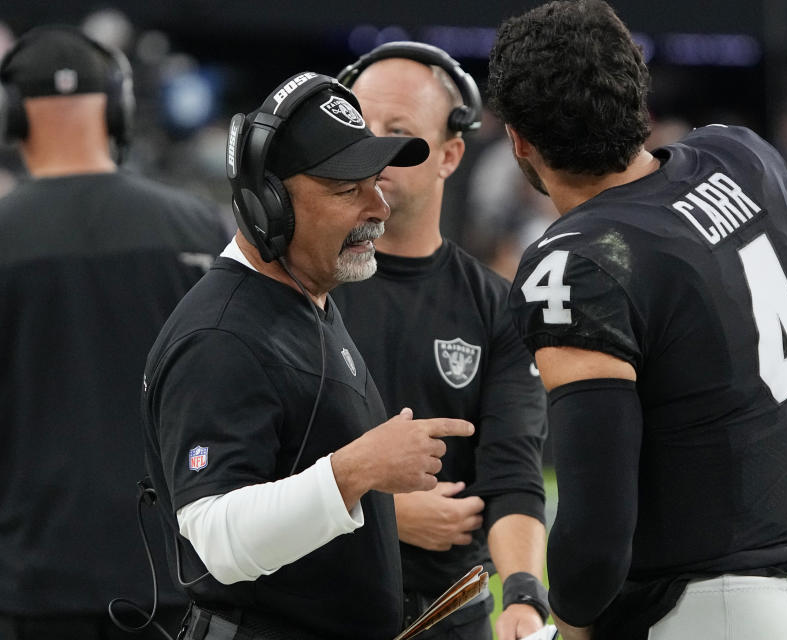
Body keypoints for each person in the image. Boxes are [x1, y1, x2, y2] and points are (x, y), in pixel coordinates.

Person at [486, 2, 787, 639]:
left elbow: (596, 535)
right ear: (638, 90)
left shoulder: (577, 260)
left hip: (711, 609)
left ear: (519, 140)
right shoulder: (741, 156)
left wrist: (568, 623)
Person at [141, 71, 476, 640]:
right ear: (268, 203)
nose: (379, 207)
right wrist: (357, 469)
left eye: (375, 182)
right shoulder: (221, 336)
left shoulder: (305, 300)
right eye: (348, 191)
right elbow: (215, 537)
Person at [0, 25, 229, 639]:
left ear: (12, 114)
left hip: (34, 580)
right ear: (121, 107)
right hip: (179, 572)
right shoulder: (198, 229)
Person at [332, 43, 549, 640]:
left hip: (448, 615)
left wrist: (525, 598)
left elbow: (512, 476)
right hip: (311, 609)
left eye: (397, 132)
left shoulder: (496, 306)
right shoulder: (297, 282)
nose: (371, 146)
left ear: (450, 154)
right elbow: (245, 472)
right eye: (358, 125)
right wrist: (383, 514)